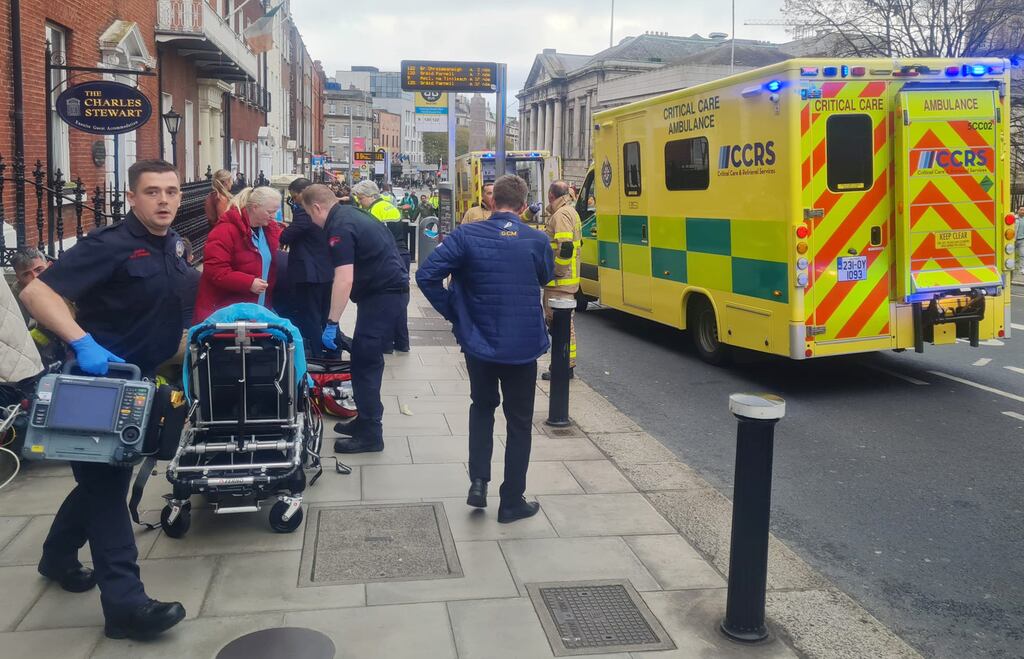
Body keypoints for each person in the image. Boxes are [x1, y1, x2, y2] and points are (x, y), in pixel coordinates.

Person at [19, 159, 190, 640]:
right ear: (132, 197)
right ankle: (126, 607)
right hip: (98, 386)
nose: (164, 200)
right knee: (108, 491)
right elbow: (38, 294)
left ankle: (56, 556)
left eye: (172, 191)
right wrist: (82, 342)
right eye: (152, 191)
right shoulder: (108, 244)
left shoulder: (173, 245)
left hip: (141, 384)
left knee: (101, 478)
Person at [416, 174, 554, 524]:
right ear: (524, 206)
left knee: (482, 407)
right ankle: (511, 501)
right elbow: (544, 277)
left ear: (491, 202)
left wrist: (456, 312)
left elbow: (426, 275)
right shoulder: (536, 240)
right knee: (519, 422)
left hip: (479, 343)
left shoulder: (466, 235)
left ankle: (478, 482)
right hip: (523, 345)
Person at [301, 184, 409, 453]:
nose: (312, 221)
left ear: (317, 207)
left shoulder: (339, 227)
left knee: (366, 362)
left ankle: (371, 434)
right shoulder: (349, 214)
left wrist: (332, 322)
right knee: (363, 358)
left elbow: (344, 277)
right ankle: (364, 420)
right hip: (383, 292)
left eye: (309, 214)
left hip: (383, 295)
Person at [194, 186, 282, 322]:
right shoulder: (225, 230)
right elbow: (215, 271)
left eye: (276, 211)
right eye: (270, 211)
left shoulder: (267, 230)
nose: (274, 216)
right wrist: (249, 283)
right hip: (227, 311)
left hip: (257, 307)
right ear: (255, 207)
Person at [352, 180, 410, 353]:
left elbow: (375, 237)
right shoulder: (388, 206)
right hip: (401, 254)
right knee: (399, 302)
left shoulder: (375, 210)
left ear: (370, 196)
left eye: (361, 198)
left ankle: (385, 344)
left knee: (384, 300)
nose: (359, 202)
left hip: (389, 257)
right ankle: (402, 342)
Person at [279, 177, 332, 356]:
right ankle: (332, 353)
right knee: (326, 317)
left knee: (312, 317)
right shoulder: (325, 208)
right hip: (325, 271)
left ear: (304, 192)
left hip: (309, 274)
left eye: (295, 197)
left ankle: (317, 355)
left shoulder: (304, 210)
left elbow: (297, 228)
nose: (294, 201)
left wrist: (283, 236)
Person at [541, 181, 582, 380]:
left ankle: (563, 366)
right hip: (564, 282)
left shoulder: (561, 215)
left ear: (551, 195)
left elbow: (565, 248)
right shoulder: (568, 211)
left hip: (560, 282)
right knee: (560, 324)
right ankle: (565, 365)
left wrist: (555, 271)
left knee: (561, 325)